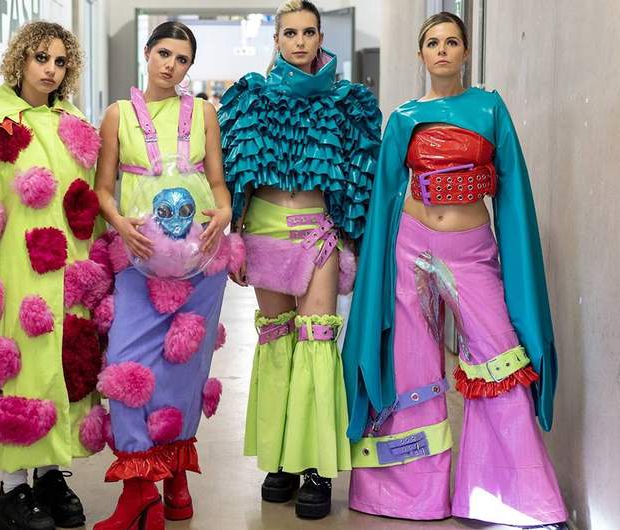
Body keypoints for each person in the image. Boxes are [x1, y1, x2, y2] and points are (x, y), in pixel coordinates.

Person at [342, 12, 569, 529]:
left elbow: (512, 193)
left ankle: (508, 495)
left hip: (471, 250)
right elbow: (384, 198)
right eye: (431, 43)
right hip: (410, 246)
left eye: (451, 42)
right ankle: (403, 496)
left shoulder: (490, 108)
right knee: (411, 364)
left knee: (499, 358)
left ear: (466, 52)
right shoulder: (402, 117)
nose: (441, 50)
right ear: (420, 55)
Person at [0, 21, 106, 530]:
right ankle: (12, 491)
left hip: (69, 274)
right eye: (40, 59)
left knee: (62, 370)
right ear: (19, 61)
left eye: (59, 62)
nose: (50, 71)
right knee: (22, 372)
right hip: (19, 271)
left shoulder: (75, 123)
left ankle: (51, 475)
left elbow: (88, 203)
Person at [218, 0, 381, 520]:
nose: (301, 42)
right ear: (277, 40)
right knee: (277, 346)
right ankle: (281, 462)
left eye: (309, 32)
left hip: (318, 237)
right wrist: (235, 239)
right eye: (290, 33)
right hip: (262, 236)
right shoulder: (249, 99)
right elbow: (234, 177)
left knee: (316, 344)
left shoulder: (349, 102)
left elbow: (361, 181)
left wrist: (352, 241)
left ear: (320, 37)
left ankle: (314, 467)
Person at [91, 21, 238, 530]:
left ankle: (176, 482)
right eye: (164, 54)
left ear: (188, 68)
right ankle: (138, 493)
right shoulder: (116, 116)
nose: (171, 65)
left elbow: (218, 182)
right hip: (137, 258)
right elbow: (103, 187)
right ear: (147, 54)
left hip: (201, 260)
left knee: (185, 369)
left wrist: (224, 212)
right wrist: (119, 225)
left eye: (181, 59)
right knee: (128, 363)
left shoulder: (204, 113)